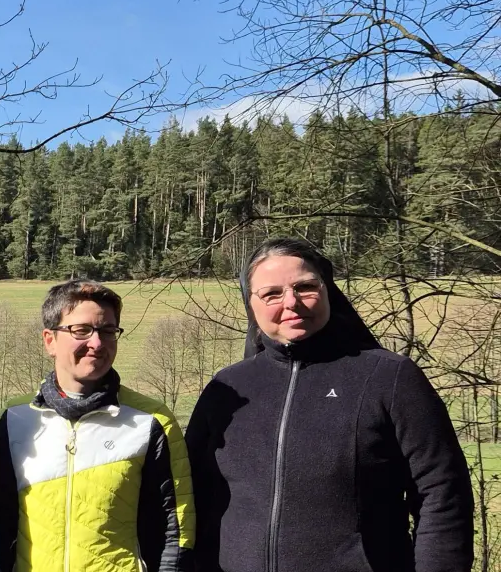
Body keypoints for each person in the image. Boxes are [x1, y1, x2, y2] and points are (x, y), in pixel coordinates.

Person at [186, 237, 472, 572]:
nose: (291, 302)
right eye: (272, 293)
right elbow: (192, 496)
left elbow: (442, 492)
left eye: (304, 287)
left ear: (327, 291)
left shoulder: (389, 377)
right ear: (252, 304)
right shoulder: (227, 389)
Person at [0, 280, 194, 572]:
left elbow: (175, 532)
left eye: (108, 331)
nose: (97, 343)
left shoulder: (152, 421)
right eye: (81, 330)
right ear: (50, 340)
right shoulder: (15, 418)